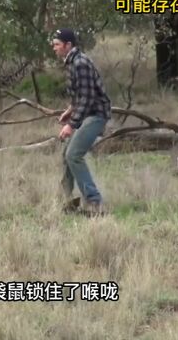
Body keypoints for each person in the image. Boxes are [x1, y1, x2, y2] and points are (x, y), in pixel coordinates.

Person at [52, 28, 111, 216]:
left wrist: (71, 124)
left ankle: (95, 203)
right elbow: (80, 96)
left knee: (74, 155)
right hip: (87, 114)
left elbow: (87, 98)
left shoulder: (80, 63)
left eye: (57, 45)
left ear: (68, 45)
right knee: (66, 155)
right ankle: (66, 200)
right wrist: (69, 111)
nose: (54, 48)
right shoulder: (72, 62)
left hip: (96, 115)